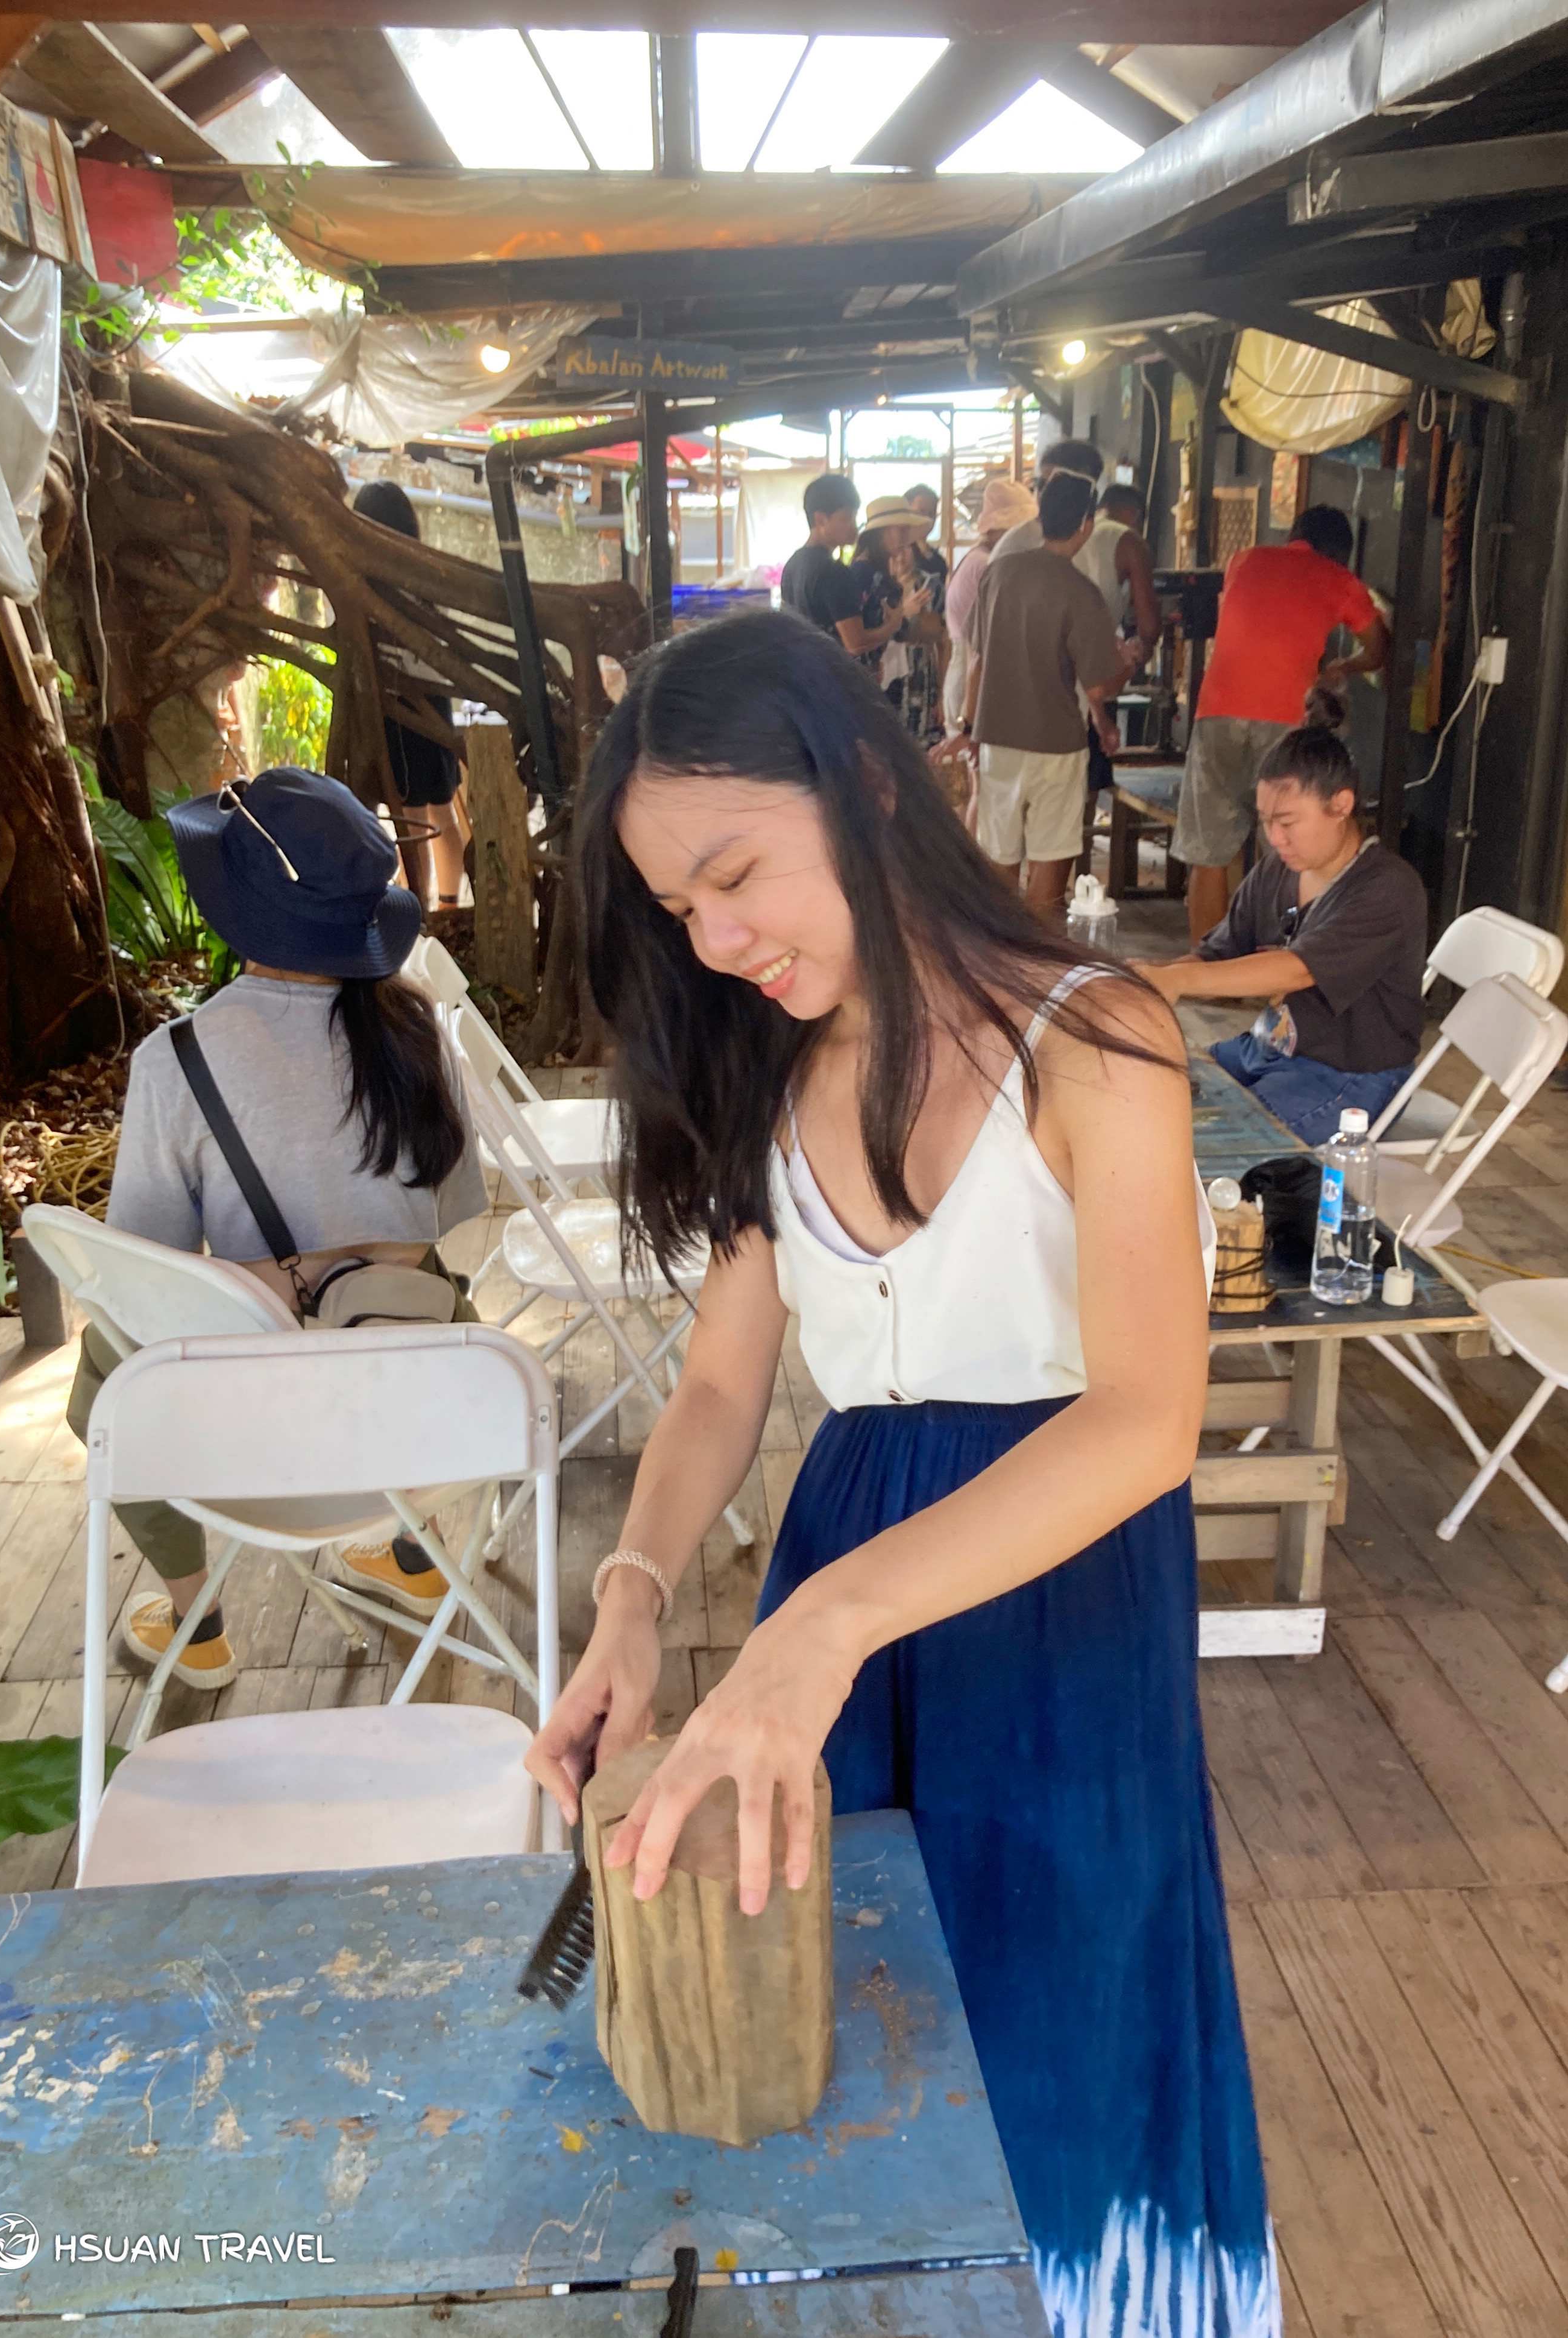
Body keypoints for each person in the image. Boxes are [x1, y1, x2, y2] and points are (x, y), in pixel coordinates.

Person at [529, 609, 1277, 2338]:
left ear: (864, 785)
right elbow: (722, 1383)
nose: (716, 939)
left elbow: (1145, 1419)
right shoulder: (767, 1065)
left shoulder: (1095, 1034)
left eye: (736, 875)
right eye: (678, 908)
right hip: (848, 1576)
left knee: (1063, 1989)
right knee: (846, 1992)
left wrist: (819, 1627)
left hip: (1055, 1584)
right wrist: (632, 1600)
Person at [66, 767, 488, 1687]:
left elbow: (144, 1267)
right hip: (424, 1417)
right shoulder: (419, 1030)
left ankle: (199, 1621)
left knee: (107, 1371)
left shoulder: (177, 1059)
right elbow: (452, 1214)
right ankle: (409, 1552)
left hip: (260, 1431)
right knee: (424, 1292)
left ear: (239, 912)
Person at [1140, 721, 1426, 1144]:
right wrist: (1147, 980)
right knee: (1148, 1089)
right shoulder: (1278, 869)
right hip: (1267, 1048)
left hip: (1349, 1077)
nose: (1275, 838)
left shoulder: (1388, 888)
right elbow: (1218, 952)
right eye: (1266, 821)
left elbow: (1298, 969)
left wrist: (1178, 980)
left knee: (1203, 1141)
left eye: (1288, 822)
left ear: (1340, 805)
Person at [1174, 505, 1390, 945]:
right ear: (1341, 552)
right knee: (1288, 853)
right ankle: (1272, 967)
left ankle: (1204, 969)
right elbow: (1378, 648)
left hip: (1217, 713)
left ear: (1294, 534)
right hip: (1287, 724)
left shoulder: (1245, 560)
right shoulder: (1339, 579)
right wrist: (1342, 667)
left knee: (1209, 854)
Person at [956, 471, 1126, 920]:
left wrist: (969, 726)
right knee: (1050, 860)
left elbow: (977, 660)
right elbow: (1097, 686)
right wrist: (1125, 662)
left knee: (998, 857)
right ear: (1086, 525)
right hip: (1057, 746)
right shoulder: (1081, 591)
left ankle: (998, 949)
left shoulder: (999, 574)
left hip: (996, 739)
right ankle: (1039, 954)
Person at [351, 481, 467, 912]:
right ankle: (449, 907)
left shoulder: (377, 581)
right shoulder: (425, 573)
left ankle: (420, 910)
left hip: (403, 705)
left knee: (413, 819)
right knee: (440, 810)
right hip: (434, 702)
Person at [1076, 482, 1162, 800]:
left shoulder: (1077, 531)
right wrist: (1140, 651)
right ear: (1135, 515)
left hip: (1054, 670)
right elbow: (1149, 626)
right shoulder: (1129, 541)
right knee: (1086, 784)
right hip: (1093, 671)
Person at [781, 473, 925, 660]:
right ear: (821, 520)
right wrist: (892, 626)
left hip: (802, 668)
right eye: (846, 519)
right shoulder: (834, 573)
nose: (854, 528)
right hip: (831, 671)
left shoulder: (792, 566)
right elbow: (856, 644)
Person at [942, 476, 1036, 731]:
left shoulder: (977, 558)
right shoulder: (987, 566)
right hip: (973, 676)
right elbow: (989, 645)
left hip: (967, 669)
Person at [852, 494, 946, 744]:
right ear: (882, 532)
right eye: (902, 530)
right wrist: (898, 625)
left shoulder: (873, 574)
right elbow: (857, 639)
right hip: (863, 683)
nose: (907, 538)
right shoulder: (865, 575)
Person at [990, 436, 1103, 562]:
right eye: (1041, 484)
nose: (1043, 494)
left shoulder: (1100, 540)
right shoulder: (1017, 544)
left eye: (1057, 486)